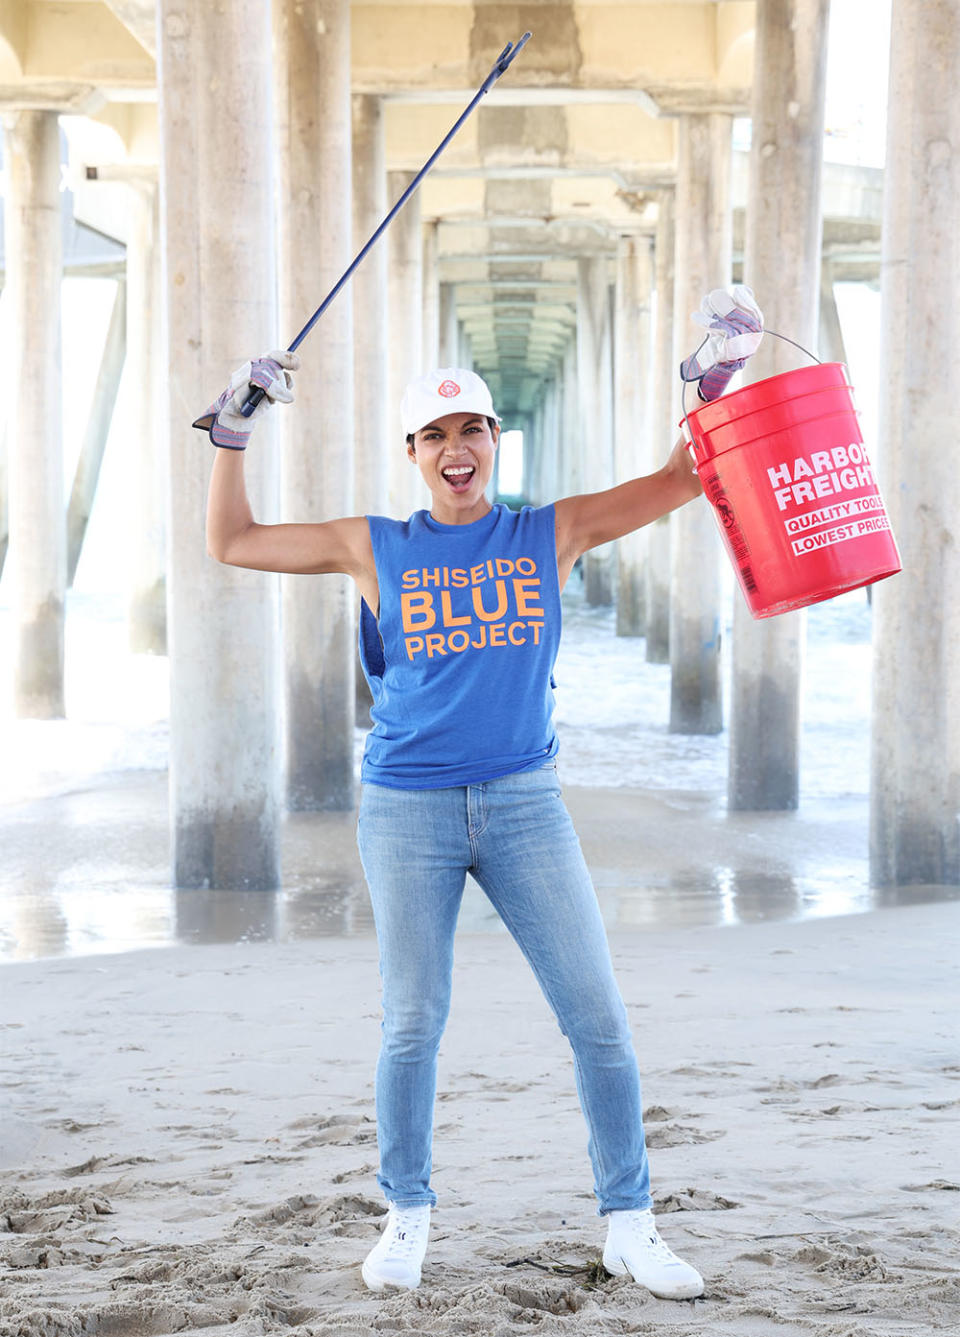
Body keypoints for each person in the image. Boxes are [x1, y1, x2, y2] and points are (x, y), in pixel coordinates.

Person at [197, 287, 762, 1302]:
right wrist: (233, 428)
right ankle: (405, 1214)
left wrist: (715, 373)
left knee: (598, 1017)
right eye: (436, 434)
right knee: (412, 1021)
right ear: (413, 452)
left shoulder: (553, 532)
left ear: (496, 439)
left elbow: (688, 476)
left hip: (524, 804)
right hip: (405, 808)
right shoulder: (377, 544)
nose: (457, 448)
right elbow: (232, 543)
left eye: (474, 429)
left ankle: (630, 1222)